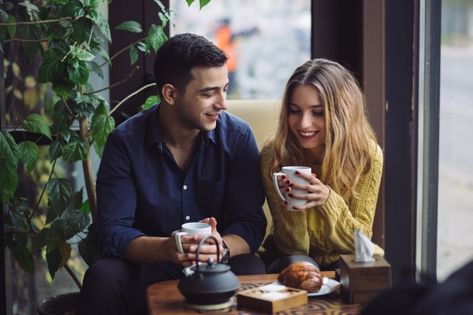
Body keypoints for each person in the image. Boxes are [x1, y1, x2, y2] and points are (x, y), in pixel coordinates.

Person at [77, 33, 267, 315]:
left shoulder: (237, 137)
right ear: (170, 94)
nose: (223, 103)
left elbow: (249, 222)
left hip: (218, 265)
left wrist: (220, 247)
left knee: (251, 267)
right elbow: (112, 231)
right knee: (103, 276)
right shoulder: (125, 141)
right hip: (148, 263)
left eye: (224, 89)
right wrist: (167, 248)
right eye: (208, 93)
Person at [258, 58, 384, 273]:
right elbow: (292, 247)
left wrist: (327, 200)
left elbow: (360, 242)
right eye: (294, 110)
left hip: (342, 261)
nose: (303, 123)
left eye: (317, 112)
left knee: (366, 271)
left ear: (341, 113)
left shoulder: (366, 155)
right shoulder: (275, 154)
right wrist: (293, 207)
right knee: (302, 265)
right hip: (288, 260)